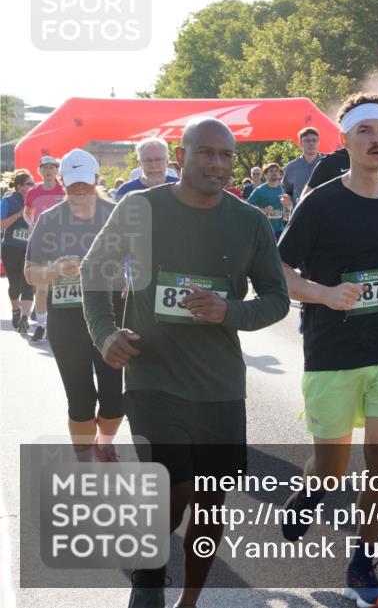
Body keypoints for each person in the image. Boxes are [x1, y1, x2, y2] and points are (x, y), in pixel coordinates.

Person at [82, 116, 289, 608]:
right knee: (170, 488)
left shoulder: (250, 222)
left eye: (226, 155)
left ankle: (189, 600)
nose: (217, 164)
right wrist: (105, 334)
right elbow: (94, 270)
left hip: (220, 386)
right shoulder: (141, 208)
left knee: (210, 504)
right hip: (153, 376)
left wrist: (228, 311)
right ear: (181, 157)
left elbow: (277, 298)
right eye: (206, 153)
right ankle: (149, 583)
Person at [277, 93, 378, 608]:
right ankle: (313, 490)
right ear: (345, 140)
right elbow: (279, 272)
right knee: (332, 467)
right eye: (365, 131)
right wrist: (323, 294)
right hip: (332, 351)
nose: (376, 140)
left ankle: (363, 566)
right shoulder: (320, 204)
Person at [25, 149, 123, 462]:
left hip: (111, 315)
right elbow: (30, 272)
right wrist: (54, 270)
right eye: (73, 184)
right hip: (67, 319)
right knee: (80, 399)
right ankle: (84, 460)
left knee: (114, 399)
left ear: (96, 179)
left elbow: (140, 261)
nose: (79, 189)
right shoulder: (49, 219)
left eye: (85, 183)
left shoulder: (117, 214)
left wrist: (128, 277)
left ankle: (104, 443)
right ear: (63, 182)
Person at [25, 154, 66, 341]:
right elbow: (27, 213)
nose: (48, 171)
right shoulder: (33, 192)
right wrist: (31, 223)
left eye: (52, 167)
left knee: (59, 287)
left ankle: (56, 325)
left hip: (63, 244)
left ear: (57, 170)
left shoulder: (64, 190)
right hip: (40, 243)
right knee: (42, 287)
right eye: (45, 168)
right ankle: (41, 325)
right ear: (39, 170)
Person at [1, 170, 36, 332]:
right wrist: (19, 214)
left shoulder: (36, 199)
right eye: (29, 184)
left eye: (33, 183)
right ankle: (16, 310)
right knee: (15, 284)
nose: (33, 186)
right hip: (11, 248)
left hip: (30, 248)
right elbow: (2, 225)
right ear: (19, 186)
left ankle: (24, 318)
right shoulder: (7, 200)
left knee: (28, 283)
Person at [247, 163, 293, 241]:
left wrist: (288, 207)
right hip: (263, 230)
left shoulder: (284, 189)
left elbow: (292, 207)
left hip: (280, 229)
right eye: (271, 171)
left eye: (276, 171)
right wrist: (263, 210)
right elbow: (248, 207)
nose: (274, 173)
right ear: (265, 175)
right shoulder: (259, 190)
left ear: (279, 174)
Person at [281, 127, 323, 205]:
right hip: (300, 211)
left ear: (318, 142)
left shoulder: (327, 164)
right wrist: (286, 199)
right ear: (300, 143)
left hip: (324, 210)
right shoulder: (290, 167)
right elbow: (287, 192)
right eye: (307, 140)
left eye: (314, 140)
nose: (311, 143)